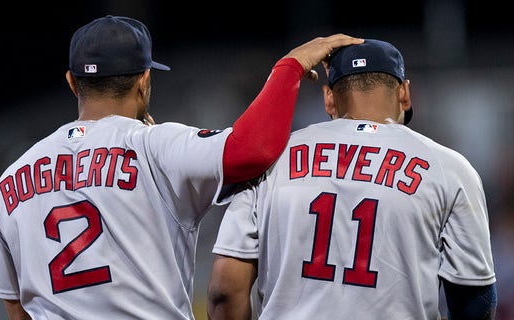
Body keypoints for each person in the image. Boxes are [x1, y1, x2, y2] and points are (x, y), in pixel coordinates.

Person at [0, 14, 363, 319]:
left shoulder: (9, 183)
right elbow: (251, 149)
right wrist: (290, 66)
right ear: (143, 81)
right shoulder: (154, 146)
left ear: (73, 83)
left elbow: (16, 306)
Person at [207, 39, 497, 320]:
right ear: (405, 94)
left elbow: (225, 293)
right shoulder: (449, 168)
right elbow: (475, 302)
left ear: (329, 98)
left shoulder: (272, 159)